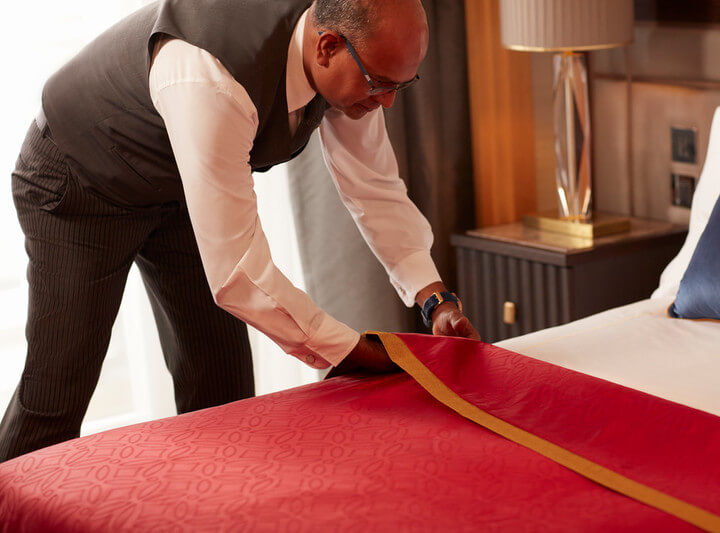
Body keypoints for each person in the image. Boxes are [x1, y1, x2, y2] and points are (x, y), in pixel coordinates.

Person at [0, 0, 479, 462]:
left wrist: (433, 298)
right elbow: (239, 273)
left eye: (402, 85)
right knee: (56, 394)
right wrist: (348, 349)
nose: (388, 102)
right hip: (78, 181)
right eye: (379, 84)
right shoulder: (212, 75)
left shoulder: (354, 61)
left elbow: (372, 187)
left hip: (176, 187)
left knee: (222, 384)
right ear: (327, 47)